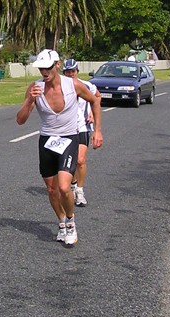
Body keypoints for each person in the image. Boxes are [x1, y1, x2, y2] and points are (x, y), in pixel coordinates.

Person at [16, 49, 103, 245]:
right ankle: (62, 222)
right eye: (41, 69)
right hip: (47, 140)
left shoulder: (73, 85)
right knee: (51, 190)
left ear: (57, 65)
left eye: (47, 68)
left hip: (69, 137)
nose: (44, 73)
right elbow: (20, 121)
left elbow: (95, 101)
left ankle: (71, 222)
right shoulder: (35, 88)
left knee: (64, 187)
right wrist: (30, 99)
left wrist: (97, 131)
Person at [62, 58, 101, 207]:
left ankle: (79, 190)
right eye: (67, 72)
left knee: (80, 160)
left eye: (73, 71)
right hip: (65, 128)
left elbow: (97, 96)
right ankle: (72, 184)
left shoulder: (87, 85)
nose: (71, 74)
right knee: (69, 161)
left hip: (83, 126)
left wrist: (91, 111)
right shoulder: (60, 86)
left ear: (77, 71)